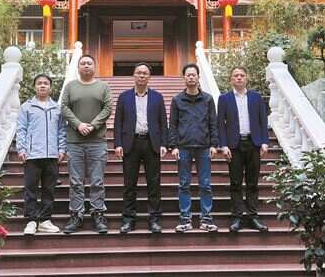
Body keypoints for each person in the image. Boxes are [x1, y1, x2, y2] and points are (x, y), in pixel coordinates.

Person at [61, 54, 113, 234]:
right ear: (78, 67)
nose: (86, 66)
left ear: (94, 67)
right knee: (75, 181)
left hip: (97, 141)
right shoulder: (70, 86)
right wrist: (78, 124)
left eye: (89, 63)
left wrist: (92, 125)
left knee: (97, 181)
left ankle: (98, 214)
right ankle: (76, 215)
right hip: (74, 142)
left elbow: (108, 108)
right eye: (82, 63)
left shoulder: (103, 87)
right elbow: (64, 107)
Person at [114, 62, 168, 234]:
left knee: (154, 184)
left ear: (149, 77)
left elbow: (163, 122)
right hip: (131, 144)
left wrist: (164, 144)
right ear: (134, 75)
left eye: (145, 73)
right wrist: (118, 144)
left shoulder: (157, 97)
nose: (142, 75)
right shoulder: (124, 97)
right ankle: (128, 219)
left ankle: (154, 219)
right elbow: (118, 122)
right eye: (139, 72)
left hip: (152, 143)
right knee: (129, 184)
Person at [218, 66, 269, 233]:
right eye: (236, 75)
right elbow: (220, 124)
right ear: (231, 79)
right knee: (235, 182)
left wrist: (264, 141)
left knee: (253, 182)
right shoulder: (224, 99)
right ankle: (237, 217)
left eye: (242, 75)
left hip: (254, 144)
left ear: (246, 78)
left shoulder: (256, 98)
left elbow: (263, 121)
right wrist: (223, 145)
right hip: (234, 145)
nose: (239, 78)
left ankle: (253, 216)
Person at [169, 63, 219, 233]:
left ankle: (206, 219)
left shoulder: (208, 99)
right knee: (184, 184)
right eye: (188, 75)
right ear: (184, 78)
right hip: (183, 147)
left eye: (193, 75)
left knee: (205, 184)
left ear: (198, 77)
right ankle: (185, 219)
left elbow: (213, 123)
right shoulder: (177, 100)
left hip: (204, 147)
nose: (191, 77)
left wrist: (214, 144)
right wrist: (173, 146)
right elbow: (173, 124)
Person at [16, 74, 66, 235]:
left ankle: (45, 220)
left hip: (51, 155)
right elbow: (21, 129)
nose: (42, 86)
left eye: (45, 83)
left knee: (49, 189)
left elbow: (61, 130)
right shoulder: (26, 107)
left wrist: (61, 149)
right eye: (39, 83)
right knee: (30, 189)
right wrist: (21, 149)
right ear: (35, 86)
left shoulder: (57, 108)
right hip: (32, 155)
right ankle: (31, 221)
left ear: (50, 87)